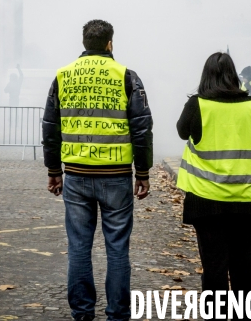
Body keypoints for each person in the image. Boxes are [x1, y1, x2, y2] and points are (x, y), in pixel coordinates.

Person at [42, 19, 153, 321]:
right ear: (109, 44)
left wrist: (54, 170)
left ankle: (82, 313)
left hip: (76, 175)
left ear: (84, 43)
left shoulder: (63, 76)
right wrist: (142, 173)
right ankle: (117, 314)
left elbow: (51, 127)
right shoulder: (126, 76)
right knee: (117, 249)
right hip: (116, 176)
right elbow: (142, 128)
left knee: (79, 247)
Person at [176, 52, 251, 319]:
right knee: (243, 262)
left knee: (214, 265)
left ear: (206, 76)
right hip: (245, 199)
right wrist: (243, 169)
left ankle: (216, 316)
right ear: (233, 74)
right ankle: (244, 315)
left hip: (205, 200)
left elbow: (183, 131)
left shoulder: (197, 105)